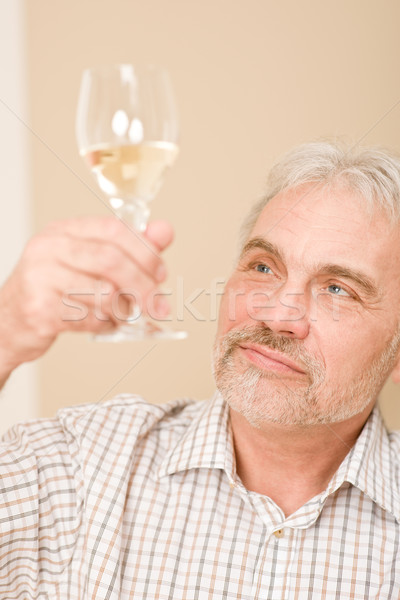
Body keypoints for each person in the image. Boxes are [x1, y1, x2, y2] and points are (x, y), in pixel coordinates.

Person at [1, 140, 399, 599]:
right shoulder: (79, 466)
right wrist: (5, 334)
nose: (276, 316)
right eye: (264, 267)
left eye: (336, 288)